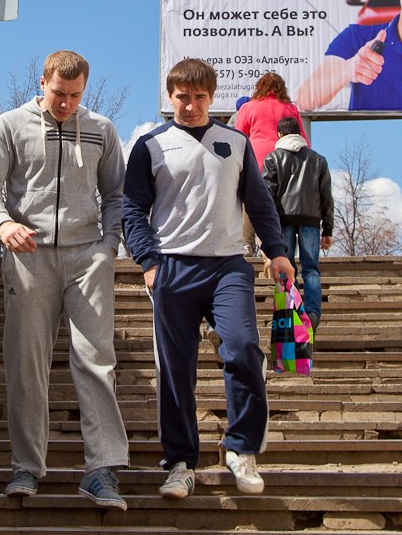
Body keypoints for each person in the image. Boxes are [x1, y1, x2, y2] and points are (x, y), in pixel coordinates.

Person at [122, 57, 295, 501]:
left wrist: (277, 252)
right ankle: (180, 463)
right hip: (172, 268)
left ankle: (242, 449)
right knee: (176, 370)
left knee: (242, 347)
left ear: (212, 97)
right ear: (170, 95)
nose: (191, 105)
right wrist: (148, 262)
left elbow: (259, 203)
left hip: (228, 266)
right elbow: (131, 209)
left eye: (200, 97)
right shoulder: (150, 145)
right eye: (182, 96)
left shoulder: (234, 141)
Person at [0, 50, 129, 510]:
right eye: (58, 93)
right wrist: (2, 224)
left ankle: (102, 470)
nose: (65, 103)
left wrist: (108, 246)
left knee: (96, 359)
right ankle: (26, 465)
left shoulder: (101, 129)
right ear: (42, 82)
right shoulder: (9, 125)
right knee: (26, 362)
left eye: (75, 95)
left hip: (87, 257)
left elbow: (118, 193)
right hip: (29, 255)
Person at [261, 116, 334, 330]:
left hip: (282, 220)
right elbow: (326, 196)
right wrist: (327, 229)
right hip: (311, 220)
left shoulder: (273, 158)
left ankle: (289, 310)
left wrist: (266, 228)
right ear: (300, 134)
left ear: (279, 135)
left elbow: (267, 196)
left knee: (286, 267)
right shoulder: (318, 159)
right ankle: (312, 312)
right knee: (311, 269)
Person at [233, 74, 307, 256]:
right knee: (280, 202)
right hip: (286, 159)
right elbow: (303, 139)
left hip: (256, 159)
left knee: (250, 201)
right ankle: (277, 243)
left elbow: (238, 137)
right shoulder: (291, 109)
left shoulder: (248, 108)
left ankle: (247, 243)